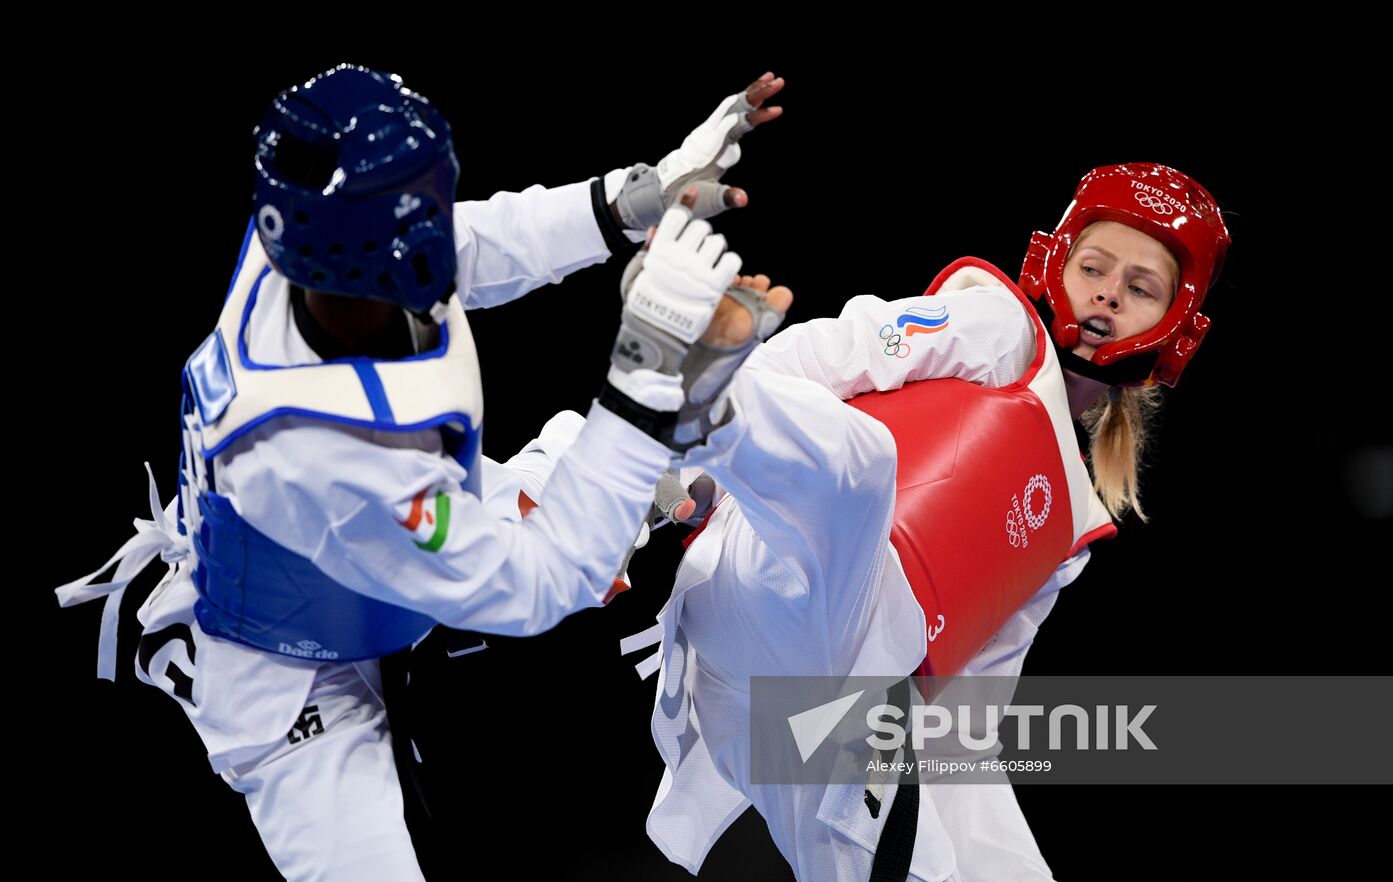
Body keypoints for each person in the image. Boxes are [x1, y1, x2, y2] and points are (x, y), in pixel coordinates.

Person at [53, 64, 791, 880]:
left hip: (378, 546)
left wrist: (626, 200)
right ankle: (626, 466)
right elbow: (541, 583)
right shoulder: (318, 452)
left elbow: (468, 241)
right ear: (384, 245)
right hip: (296, 680)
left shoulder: (305, 244)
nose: (441, 229)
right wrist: (648, 367)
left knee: (609, 474)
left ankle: (626, 472)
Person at [620, 163, 1231, 880]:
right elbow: (820, 355)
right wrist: (697, 482)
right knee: (863, 464)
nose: (1107, 293)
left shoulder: (1074, 527)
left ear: (1176, 330)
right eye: (1094, 267)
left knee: (981, 853)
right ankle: (667, 432)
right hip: (796, 564)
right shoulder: (1000, 329)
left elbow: (966, 717)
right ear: (1054, 263)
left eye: (1140, 288)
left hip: (820, 694)